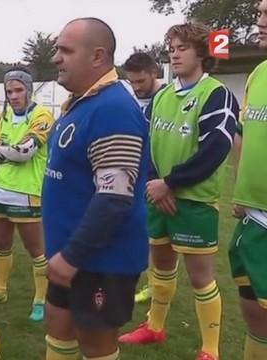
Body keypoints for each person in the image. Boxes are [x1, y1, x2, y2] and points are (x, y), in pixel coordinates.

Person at [119, 23, 239, 360]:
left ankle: (210, 350)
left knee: (200, 277)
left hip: (195, 201)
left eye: (182, 47)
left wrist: (170, 183)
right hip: (158, 196)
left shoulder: (216, 93)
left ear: (201, 52)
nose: (174, 52)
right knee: (160, 265)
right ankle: (154, 327)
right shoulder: (162, 96)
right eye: (170, 47)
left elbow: (216, 148)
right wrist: (156, 183)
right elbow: (149, 144)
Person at [43, 18, 149, 360]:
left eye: (65, 50)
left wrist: (73, 254)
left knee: (96, 346)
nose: (55, 58)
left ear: (97, 56)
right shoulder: (82, 103)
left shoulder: (113, 109)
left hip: (100, 258)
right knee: (57, 327)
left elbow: (114, 198)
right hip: (70, 255)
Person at [0, 67, 54, 323]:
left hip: (28, 193)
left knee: (35, 250)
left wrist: (4, 151)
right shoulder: (3, 114)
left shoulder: (42, 115)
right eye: (9, 91)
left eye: (19, 90)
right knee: (2, 245)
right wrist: (8, 151)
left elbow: (25, 152)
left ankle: (41, 300)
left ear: (28, 90)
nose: (14, 95)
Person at [228, 1, 267, 359]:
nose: (260, 21)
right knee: (254, 316)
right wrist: (241, 190)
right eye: (258, 13)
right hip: (252, 219)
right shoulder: (258, 73)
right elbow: (242, 133)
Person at [123, 52, 165, 303]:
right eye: (132, 82)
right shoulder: (129, 99)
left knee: (153, 236)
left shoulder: (166, 98)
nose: (136, 87)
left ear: (154, 73)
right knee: (130, 230)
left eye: (141, 82)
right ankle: (132, 279)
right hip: (130, 176)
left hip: (154, 180)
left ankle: (153, 284)